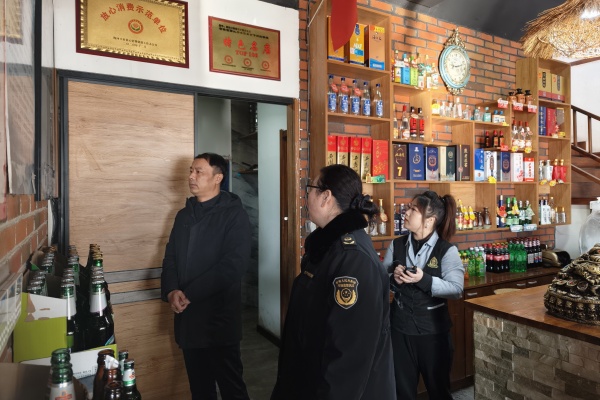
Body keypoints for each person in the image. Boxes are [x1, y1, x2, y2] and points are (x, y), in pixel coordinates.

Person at [271, 164, 395, 400]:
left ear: (326, 196)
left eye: (310, 189)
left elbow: (348, 357)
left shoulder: (353, 258)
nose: (306, 196)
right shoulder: (326, 246)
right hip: (310, 379)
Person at [161, 153, 251, 400]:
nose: (191, 176)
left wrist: (188, 293)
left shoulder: (234, 215)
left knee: (232, 389)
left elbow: (234, 265)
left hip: (218, 321)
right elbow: (170, 258)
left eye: (198, 171)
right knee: (200, 390)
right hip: (189, 320)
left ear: (218, 178)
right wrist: (171, 291)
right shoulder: (183, 215)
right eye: (191, 171)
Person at [382, 190, 464, 400]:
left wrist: (424, 279)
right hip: (400, 331)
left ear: (429, 220)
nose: (406, 213)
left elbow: (456, 289)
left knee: (439, 393)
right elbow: (382, 281)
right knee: (402, 393)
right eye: (408, 208)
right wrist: (394, 279)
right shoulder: (396, 245)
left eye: (413, 209)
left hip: (433, 335)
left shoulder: (447, 251)